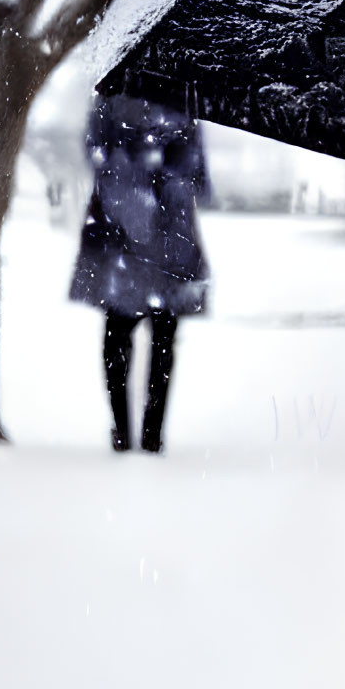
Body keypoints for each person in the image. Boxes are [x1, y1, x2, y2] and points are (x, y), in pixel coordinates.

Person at [70, 91, 211, 453]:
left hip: (148, 239)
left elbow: (97, 153)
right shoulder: (178, 96)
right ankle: (142, 433)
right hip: (146, 239)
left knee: (135, 337)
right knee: (142, 337)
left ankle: (136, 433)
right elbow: (194, 174)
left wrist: (145, 177)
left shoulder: (154, 98)